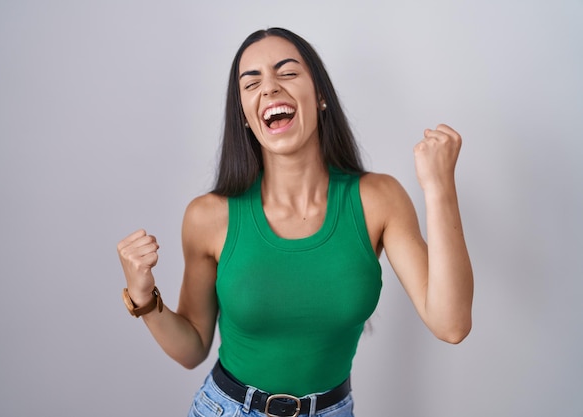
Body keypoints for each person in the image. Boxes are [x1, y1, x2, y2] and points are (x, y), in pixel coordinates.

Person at [117, 27, 473, 417]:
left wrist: (439, 189)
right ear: (246, 118)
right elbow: (192, 349)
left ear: (320, 96)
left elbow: (450, 324)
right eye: (251, 83)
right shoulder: (209, 216)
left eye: (287, 73)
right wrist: (143, 298)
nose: (269, 88)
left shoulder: (378, 199)